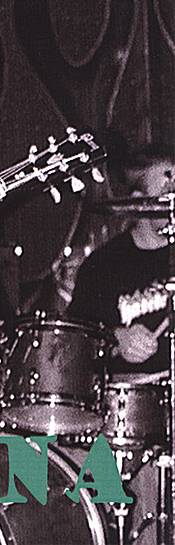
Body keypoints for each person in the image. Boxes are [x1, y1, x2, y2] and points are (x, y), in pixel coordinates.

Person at [68, 142, 174, 545]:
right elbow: (75, 347)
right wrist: (117, 338)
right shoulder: (103, 266)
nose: (174, 195)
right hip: (125, 411)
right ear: (138, 200)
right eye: (166, 185)